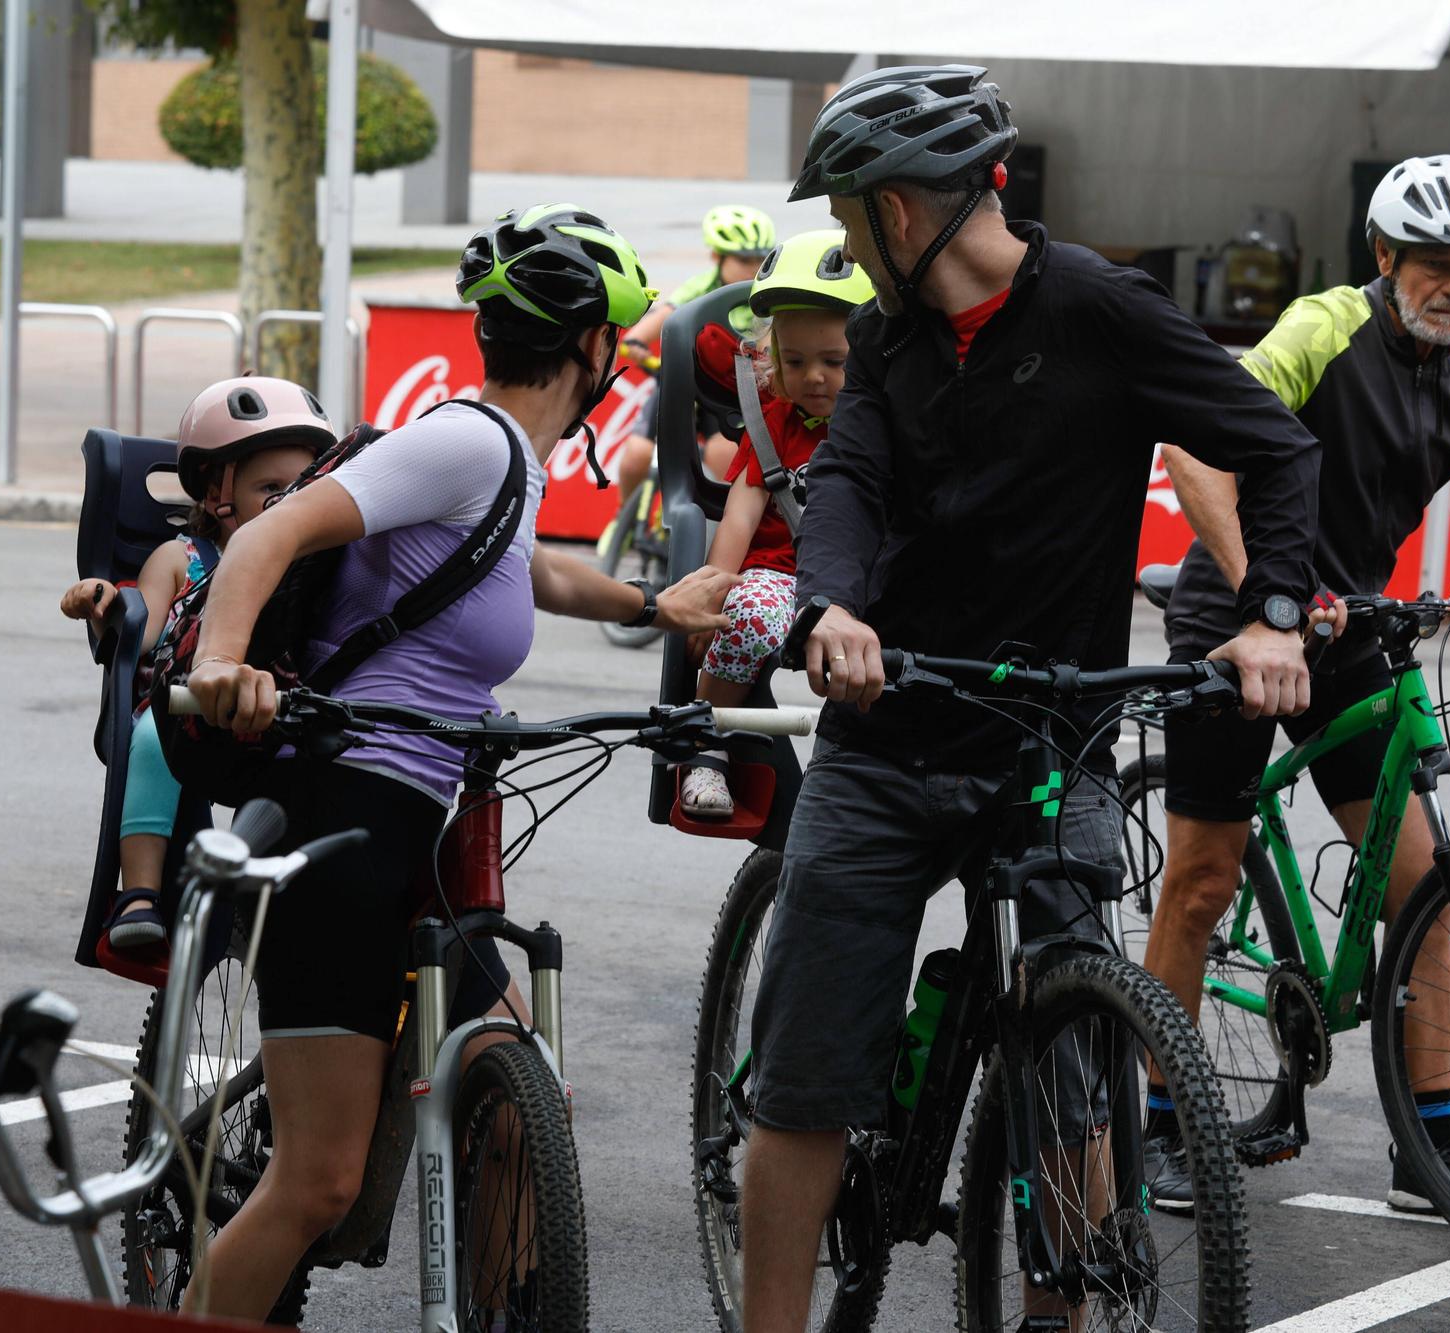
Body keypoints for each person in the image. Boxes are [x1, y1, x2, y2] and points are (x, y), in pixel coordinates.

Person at [741, 65, 1325, 1330]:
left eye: (847, 218)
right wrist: (826, 608)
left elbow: (1273, 446)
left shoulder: (1100, 309)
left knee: (1068, 1076)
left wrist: (1273, 618)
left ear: (896, 214)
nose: (847, 241)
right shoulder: (888, 343)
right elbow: (844, 488)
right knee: (802, 1083)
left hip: (1055, 746)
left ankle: (1056, 1319)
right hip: (885, 741)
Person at [175, 204, 735, 1320]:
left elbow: (520, 573)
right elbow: (264, 535)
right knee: (317, 1181)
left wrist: (651, 604)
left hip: (413, 820)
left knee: (519, 1090)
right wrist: (221, 663)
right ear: (589, 350)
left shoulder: (503, 467)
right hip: (340, 813)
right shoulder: (465, 441)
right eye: (611, 348)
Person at [1139, 154, 1450, 1221]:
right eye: (1435, 265)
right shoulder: (1322, 328)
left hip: (1349, 627)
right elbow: (1196, 452)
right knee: (1200, 877)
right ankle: (1156, 1124)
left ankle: (1426, 1152)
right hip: (1234, 618)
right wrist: (1267, 603)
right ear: (1384, 258)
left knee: (1422, 889)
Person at [59, 377, 329, 953]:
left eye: (303, 489)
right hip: (188, 711)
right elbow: (140, 637)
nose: (289, 505)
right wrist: (100, 604)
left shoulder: (316, 566)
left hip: (283, 712)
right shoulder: (182, 559)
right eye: (269, 489)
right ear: (215, 494)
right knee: (153, 736)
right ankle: (140, 892)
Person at [680, 229, 874, 817]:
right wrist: (711, 595)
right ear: (773, 361)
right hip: (780, 576)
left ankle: (878, 765)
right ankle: (706, 742)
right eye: (796, 362)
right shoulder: (772, 425)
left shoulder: (883, 426)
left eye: (834, 362)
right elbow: (740, 515)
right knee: (750, 615)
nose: (814, 376)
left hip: (863, 582)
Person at [611, 204, 777, 507]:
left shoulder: (765, 296)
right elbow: (634, 340)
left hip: (727, 395)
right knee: (636, 455)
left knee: (723, 454)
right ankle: (622, 518)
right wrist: (657, 364)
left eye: (760, 258)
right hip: (680, 387)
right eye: (743, 259)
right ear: (717, 257)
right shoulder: (696, 290)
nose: (753, 267)